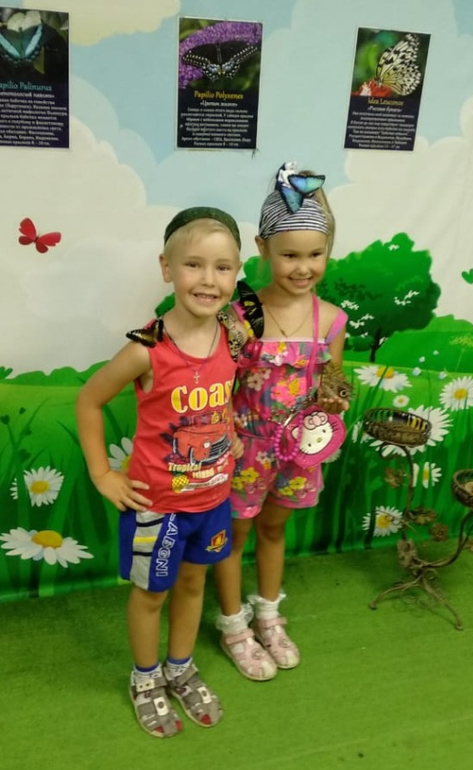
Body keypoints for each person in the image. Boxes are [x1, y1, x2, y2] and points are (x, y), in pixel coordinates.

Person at [76, 207, 247, 738]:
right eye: (193, 264)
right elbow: (89, 401)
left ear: (237, 273)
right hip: (158, 507)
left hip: (212, 501)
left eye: (222, 267)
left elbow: (222, 396)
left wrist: (230, 431)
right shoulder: (145, 350)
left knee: (194, 584)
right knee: (152, 595)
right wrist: (103, 473)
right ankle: (146, 678)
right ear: (166, 267)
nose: (208, 279)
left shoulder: (234, 336)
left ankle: (180, 668)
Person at [214, 162, 350, 681]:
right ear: (263, 248)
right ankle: (234, 627)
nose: (303, 267)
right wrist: (224, 433)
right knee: (235, 533)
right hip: (244, 449)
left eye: (315, 254)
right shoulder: (239, 315)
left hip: (297, 453)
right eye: (290, 254)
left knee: (274, 528)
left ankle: (268, 617)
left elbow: (334, 378)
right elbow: (218, 384)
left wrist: (336, 398)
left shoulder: (331, 319)